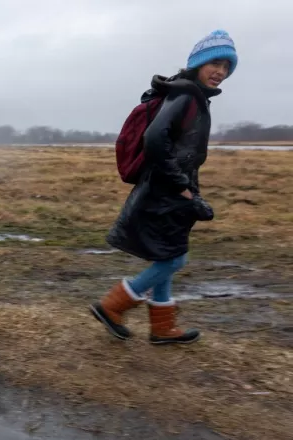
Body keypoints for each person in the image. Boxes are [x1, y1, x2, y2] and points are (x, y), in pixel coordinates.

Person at [90, 30, 237, 344]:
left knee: (167, 254)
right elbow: (155, 140)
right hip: (166, 190)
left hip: (168, 188)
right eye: (215, 63)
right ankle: (114, 305)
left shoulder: (192, 96)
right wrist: (182, 185)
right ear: (197, 63)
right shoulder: (185, 95)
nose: (221, 72)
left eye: (226, 67)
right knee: (174, 258)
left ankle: (161, 326)